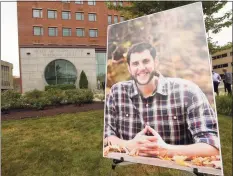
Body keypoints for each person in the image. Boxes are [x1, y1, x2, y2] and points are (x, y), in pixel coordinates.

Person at [104, 42, 219, 159]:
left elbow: (212, 146)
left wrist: (166, 150)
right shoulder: (117, 92)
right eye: (135, 64)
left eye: (146, 61)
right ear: (129, 68)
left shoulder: (188, 91)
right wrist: (128, 145)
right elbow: (106, 134)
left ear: (156, 62)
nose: (141, 68)